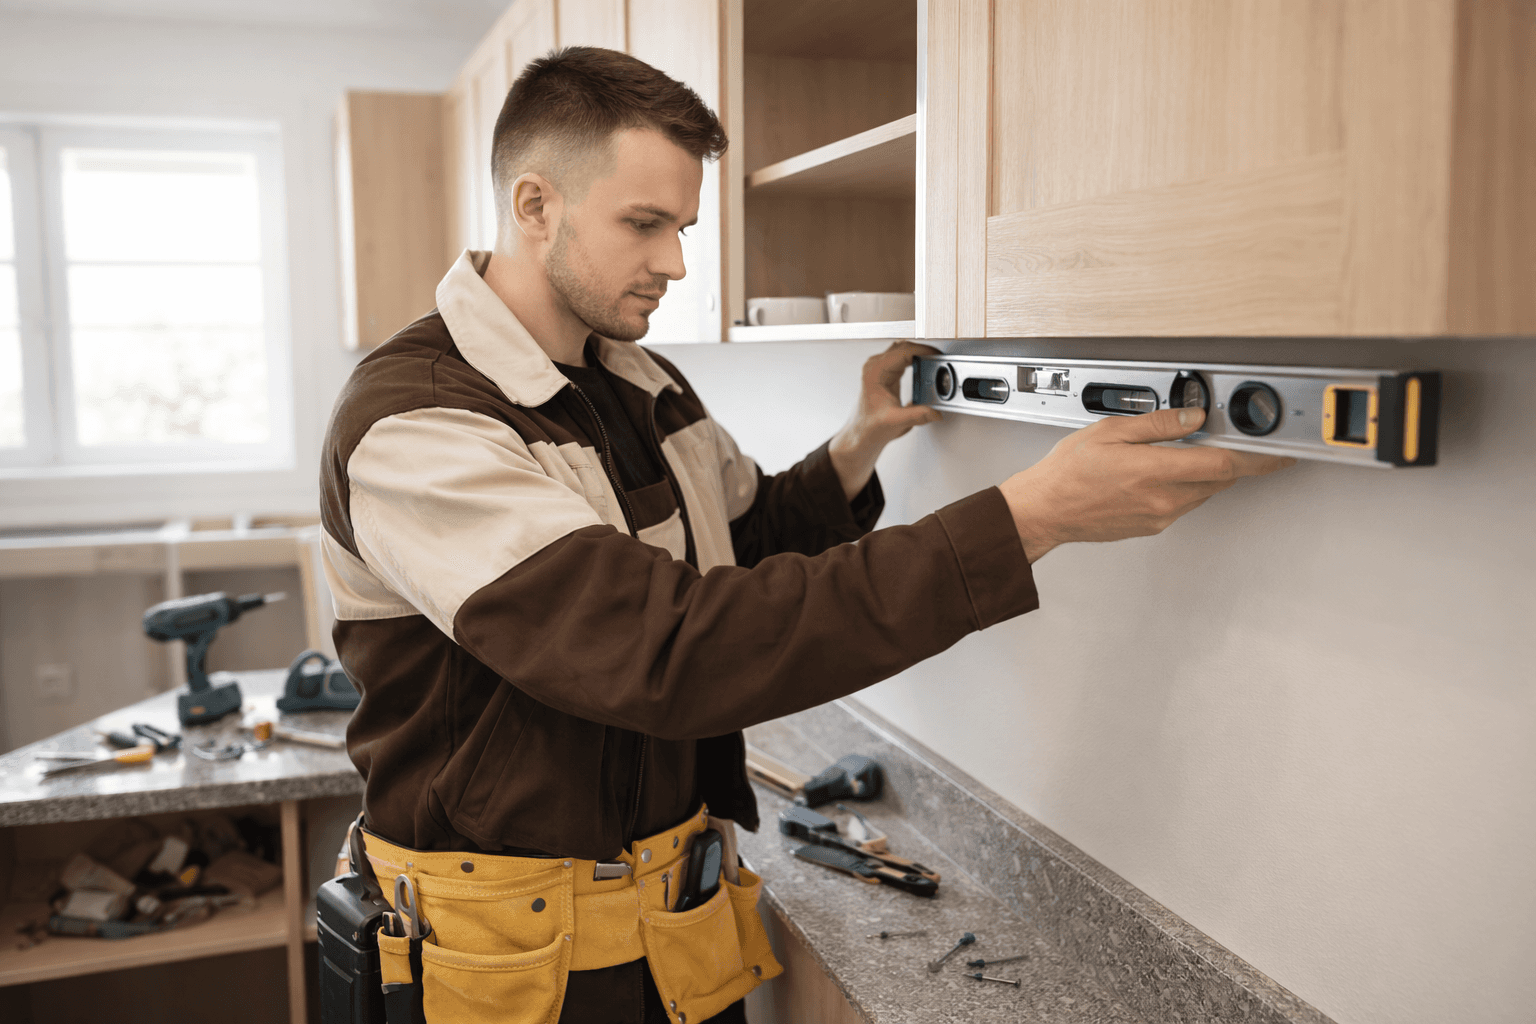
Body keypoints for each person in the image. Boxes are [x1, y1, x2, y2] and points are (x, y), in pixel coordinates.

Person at [319, 46, 1292, 1024]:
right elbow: (665, 648)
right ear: (535, 205)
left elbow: (744, 543)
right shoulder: (418, 424)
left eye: (683, 228)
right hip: (499, 969)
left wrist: (858, 443)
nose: (677, 263)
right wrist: (1028, 517)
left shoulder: (643, 384)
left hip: (673, 934)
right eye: (644, 224)